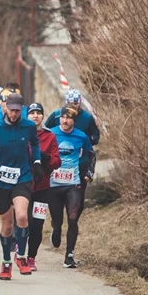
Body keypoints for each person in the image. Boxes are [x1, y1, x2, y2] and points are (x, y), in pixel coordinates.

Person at [0, 93, 42, 280]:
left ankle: (21, 256)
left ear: (22, 109)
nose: (14, 114)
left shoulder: (28, 126)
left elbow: (35, 143)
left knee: (22, 215)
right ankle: (6, 262)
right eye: (11, 110)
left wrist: (36, 161)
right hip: (1, 181)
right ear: (5, 107)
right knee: (7, 225)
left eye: (17, 111)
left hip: (22, 177)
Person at [48, 106, 96, 269]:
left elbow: (91, 155)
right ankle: (55, 229)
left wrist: (89, 172)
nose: (65, 120)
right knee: (57, 219)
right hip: (53, 184)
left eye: (69, 118)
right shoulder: (51, 133)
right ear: (59, 118)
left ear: (74, 121)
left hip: (73, 183)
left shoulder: (81, 136)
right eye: (63, 117)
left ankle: (69, 255)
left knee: (73, 218)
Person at [19, 103, 61, 271]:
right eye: (32, 113)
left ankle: (31, 257)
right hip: (23, 186)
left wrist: (46, 157)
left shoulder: (49, 136)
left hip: (43, 188)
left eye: (38, 113)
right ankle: (20, 251)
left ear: (43, 117)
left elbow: (58, 161)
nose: (35, 116)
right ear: (27, 116)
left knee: (37, 224)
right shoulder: (21, 134)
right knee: (23, 220)